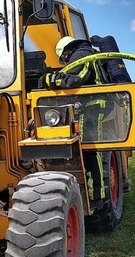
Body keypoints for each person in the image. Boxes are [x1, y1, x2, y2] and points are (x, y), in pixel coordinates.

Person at [40, 36, 110, 209]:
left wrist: (48, 79)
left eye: (64, 59)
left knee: (93, 150)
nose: (66, 62)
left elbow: (74, 78)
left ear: (66, 52)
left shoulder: (81, 55)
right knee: (89, 151)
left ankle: (99, 196)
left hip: (94, 107)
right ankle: (93, 193)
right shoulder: (85, 53)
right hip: (92, 106)